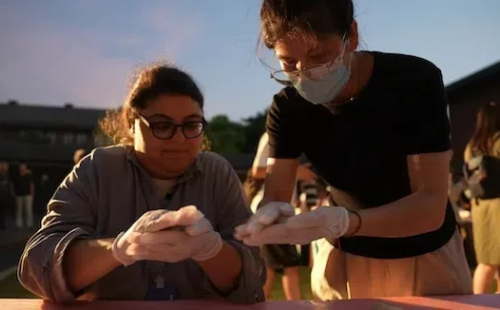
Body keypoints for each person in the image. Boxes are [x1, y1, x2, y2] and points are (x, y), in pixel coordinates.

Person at [235, 0, 472, 299]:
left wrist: (347, 221)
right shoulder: (288, 108)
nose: (305, 73)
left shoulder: (413, 81)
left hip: (427, 253)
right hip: (343, 259)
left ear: (352, 35)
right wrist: (269, 214)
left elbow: (430, 206)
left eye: (318, 56)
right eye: (288, 63)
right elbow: (276, 195)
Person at [18, 63, 266, 304]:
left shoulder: (217, 173)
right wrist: (120, 249)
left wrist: (210, 250)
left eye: (191, 125)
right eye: (162, 125)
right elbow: (37, 266)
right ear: (130, 123)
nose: (179, 138)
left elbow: (253, 279)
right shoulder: (98, 169)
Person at [249, 132, 315, 300]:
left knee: (270, 268)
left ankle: (256, 304)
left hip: (277, 211)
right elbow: (257, 170)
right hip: (270, 210)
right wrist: (297, 171)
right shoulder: (272, 136)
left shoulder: (293, 140)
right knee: (290, 266)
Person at [464, 101, 500, 294]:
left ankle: (477, 304)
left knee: (485, 263)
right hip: (498, 207)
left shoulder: (471, 146)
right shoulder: (498, 141)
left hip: (479, 208)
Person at [13, 163, 34, 229]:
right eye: (21, 167)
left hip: (27, 194)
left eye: (23, 167)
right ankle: (19, 224)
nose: (22, 169)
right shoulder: (17, 175)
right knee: (19, 210)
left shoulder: (28, 175)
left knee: (28, 210)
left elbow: (31, 185)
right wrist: (14, 193)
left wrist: (32, 194)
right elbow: (14, 185)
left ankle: (29, 224)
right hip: (19, 194)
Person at [0, 161, 14, 230]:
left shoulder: (8, 175)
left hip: (5, 195)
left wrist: (11, 193)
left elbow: (10, 185)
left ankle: (2, 224)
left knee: (3, 211)